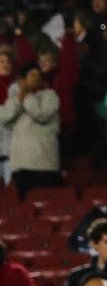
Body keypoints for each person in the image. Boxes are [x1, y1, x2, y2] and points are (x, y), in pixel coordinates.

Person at [0, 66, 60, 194]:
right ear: (22, 80)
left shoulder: (50, 95)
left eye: (37, 74)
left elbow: (41, 115)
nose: (35, 78)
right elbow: (5, 117)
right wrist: (18, 99)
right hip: (20, 164)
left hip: (43, 165)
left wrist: (27, 96)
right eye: (31, 75)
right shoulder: (17, 98)